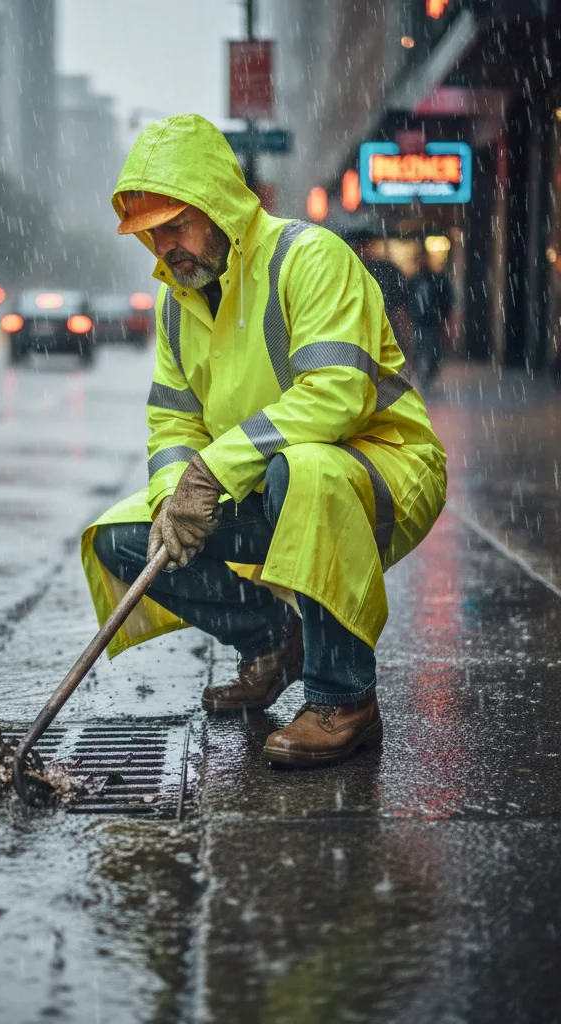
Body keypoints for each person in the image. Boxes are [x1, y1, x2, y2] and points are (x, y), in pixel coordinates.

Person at [81, 115, 447, 768]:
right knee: (123, 538)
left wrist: (213, 472)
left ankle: (344, 697)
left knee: (303, 471)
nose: (166, 247)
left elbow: (337, 394)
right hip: (260, 479)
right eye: (153, 234)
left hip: (383, 469)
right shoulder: (177, 303)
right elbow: (174, 423)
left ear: (218, 207)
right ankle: (274, 642)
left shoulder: (310, 259)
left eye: (177, 224)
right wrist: (175, 493)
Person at [408, 249, 453, 385]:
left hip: (432, 320)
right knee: (419, 346)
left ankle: (428, 374)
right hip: (419, 320)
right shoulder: (414, 281)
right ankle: (421, 373)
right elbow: (407, 299)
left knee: (433, 347)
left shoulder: (437, 279)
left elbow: (446, 299)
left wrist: (444, 317)